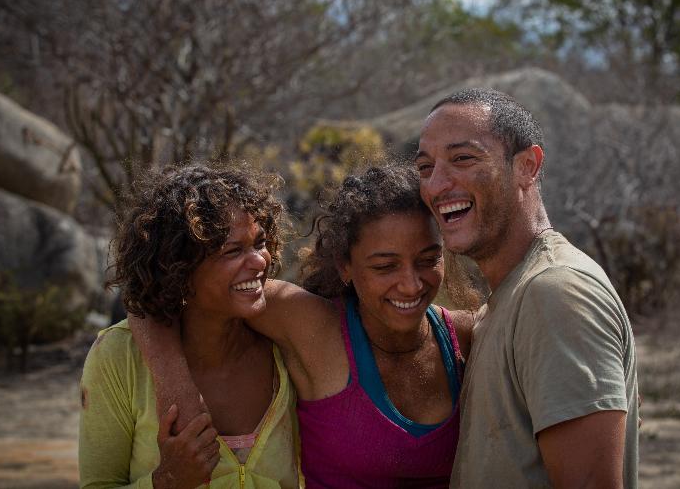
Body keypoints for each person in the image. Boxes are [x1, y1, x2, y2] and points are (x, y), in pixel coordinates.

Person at [131, 165, 478, 488]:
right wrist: (178, 392)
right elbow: (167, 291)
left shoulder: (465, 337)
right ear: (345, 266)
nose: (411, 285)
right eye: (385, 266)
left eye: (428, 259)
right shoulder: (311, 326)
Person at [413, 87, 640, 488]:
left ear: (527, 166)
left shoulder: (554, 291)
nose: (436, 185)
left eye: (463, 158)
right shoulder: (509, 298)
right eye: (425, 167)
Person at [78, 164, 302, 489]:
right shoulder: (117, 358)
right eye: (232, 250)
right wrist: (167, 480)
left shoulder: (284, 344)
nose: (259, 261)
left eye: (260, 243)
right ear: (178, 268)